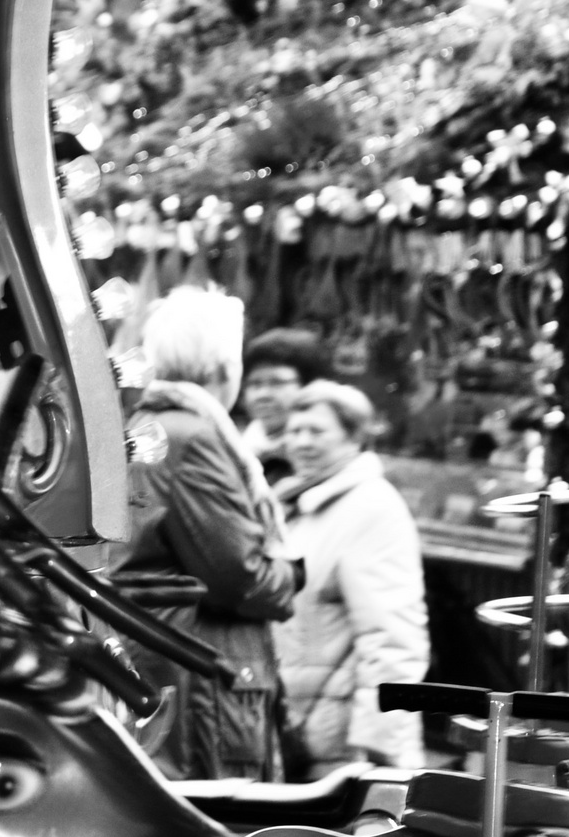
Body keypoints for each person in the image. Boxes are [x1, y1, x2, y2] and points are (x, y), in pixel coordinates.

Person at [108, 285, 301, 781]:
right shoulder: (191, 438)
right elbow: (240, 575)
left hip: (170, 664)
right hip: (200, 681)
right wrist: (290, 573)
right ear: (223, 365)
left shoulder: (148, 425)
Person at [274, 381, 429, 778]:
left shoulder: (371, 507)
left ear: (354, 436)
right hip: (298, 734)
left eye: (317, 431)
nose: (301, 442)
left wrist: (380, 751)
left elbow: (393, 637)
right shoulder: (298, 504)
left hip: (344, 751)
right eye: (294, 431)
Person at [240, 327, 332, 484]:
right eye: (255, 384)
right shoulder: (241, 448)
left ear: (309, 386)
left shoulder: (323, 456)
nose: (262, 395)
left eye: (276, 383)